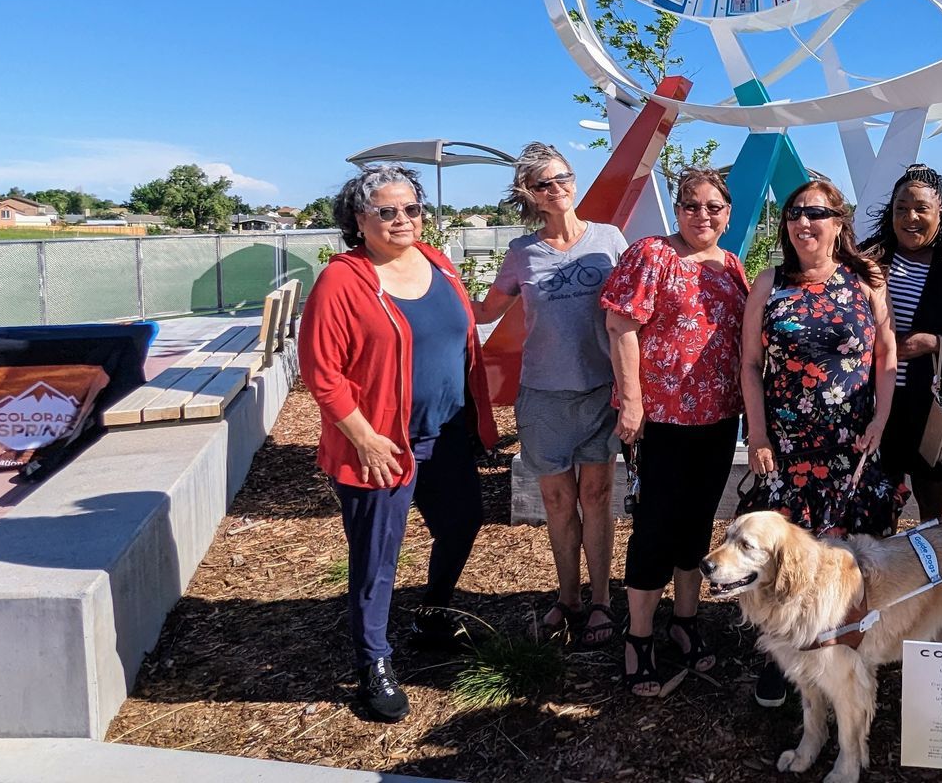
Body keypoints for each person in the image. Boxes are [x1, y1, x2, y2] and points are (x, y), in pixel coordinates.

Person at [299, 164, 495, 722]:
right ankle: (372, 662)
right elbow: (322, 371)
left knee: (462, 525)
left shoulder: (437, 262)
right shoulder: (344, 280)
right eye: (387, 211)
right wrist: (362, 436)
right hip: (380, 444)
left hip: (447, 432)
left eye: (412, 208)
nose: (403, 219)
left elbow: (461, 338)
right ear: (359, 219)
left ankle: (431, 615)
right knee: (377, 556)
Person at [740, 179, 902, 706]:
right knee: (786, 562)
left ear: (839, 223)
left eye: (816, 213)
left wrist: (881, 418)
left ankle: (850, 653)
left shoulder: (866, 279)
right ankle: (786, 657)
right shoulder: (769, 283)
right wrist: (758, 433)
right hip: (788, 450)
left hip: (851, 448)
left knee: (849, 560)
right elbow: (749, 365)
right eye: (793, 214)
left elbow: (886, 354)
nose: (803, 223)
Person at [600, 168, 750, 697]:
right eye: (692, 206)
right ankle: (638, 637)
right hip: (659, 420)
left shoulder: (732, 266)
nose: (703, 216)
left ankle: (685, 621)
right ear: (677, 210)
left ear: (728, 214)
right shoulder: (651, 255)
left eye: (714, 207)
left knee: (697, 523)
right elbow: (621, 325)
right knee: (656, 528)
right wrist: (633, 402)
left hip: (717, 419)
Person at [475, 143, 627, 647]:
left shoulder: (610, 240)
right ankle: (568, 597)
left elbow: (639, 308)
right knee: (559, 503)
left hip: (600, 392)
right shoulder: (522, 253)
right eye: (544, 184)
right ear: (530, 195)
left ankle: (602, 599)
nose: (557, 189)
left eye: (563, 178)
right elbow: (485, 311)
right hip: (542, 397)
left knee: (598, 497)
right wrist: (423, 278)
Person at [859, 164, 942, 521]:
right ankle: (880, 574)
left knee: (934, 506)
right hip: (871, 404)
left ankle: (935, 575)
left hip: (930, 404)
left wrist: (932, 342)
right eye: (901, 208)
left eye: (921, 208)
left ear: (941, 210)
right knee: (874, 504)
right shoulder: (870, 257)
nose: (910, 217)